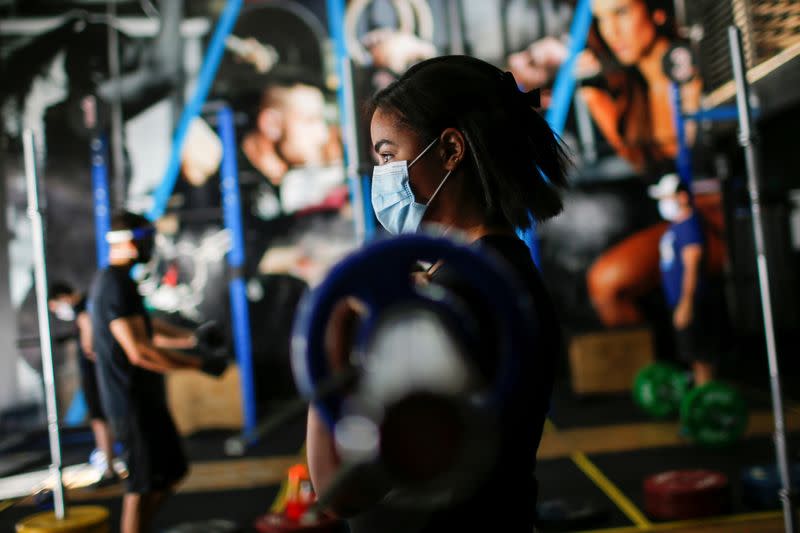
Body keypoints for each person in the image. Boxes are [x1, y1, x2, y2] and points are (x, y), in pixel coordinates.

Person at [306, 55, 568, 532]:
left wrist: (331, 340)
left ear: (451, 149)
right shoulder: (489, 276)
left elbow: (340, 492)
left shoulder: (464, 297)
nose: (380, 175)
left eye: (387, 156)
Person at [88, 211, 227, 533]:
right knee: (141, 485)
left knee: (171, 473)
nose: (150, 245)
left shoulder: (123, 281)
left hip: (145, 399)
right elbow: (140, 351)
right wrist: (200, 365)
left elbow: (147, 328)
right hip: (129, 402)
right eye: (144, 239)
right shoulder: (112, 283)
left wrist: (193, 338)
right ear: (127, 243)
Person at [48, 282, 118, 484]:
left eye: (55, 306)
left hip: (93, 369)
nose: (58, 311)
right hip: (99, 369)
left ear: (63, 297)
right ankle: (110, 464)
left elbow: (89, 334)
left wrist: (89, 348)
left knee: (99, 418)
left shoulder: (83, 308)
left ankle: (109, 469)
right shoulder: (91, 301)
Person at [649, 174, 715, 386]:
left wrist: (687, 302)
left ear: (683, 196)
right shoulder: (676, 226)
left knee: (700, 356)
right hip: (678, 300)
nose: (663, 203)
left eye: (667, 197)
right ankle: (701, 398)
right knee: (692, 355)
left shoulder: (689, 225)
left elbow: (692, 264)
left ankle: (708, 402)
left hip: (690, 301)